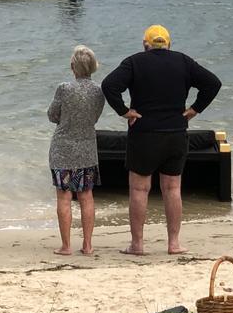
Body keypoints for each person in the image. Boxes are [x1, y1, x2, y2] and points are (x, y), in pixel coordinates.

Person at [101, 25, 221, 255]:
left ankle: (137, 244)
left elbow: (109, 85)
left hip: (144, 133)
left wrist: (124, 111)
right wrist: (196, 109)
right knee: (173, 188)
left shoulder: (135, 62)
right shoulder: (184, 62)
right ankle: (173, 243)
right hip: (176, 133)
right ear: (169, 44)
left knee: (139, 188)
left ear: (145, 45)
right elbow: (213, 83)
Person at [48, 45, 105, 256]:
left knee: (64, 197)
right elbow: (95, 117)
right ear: (93, 67)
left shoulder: (64, 88)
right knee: (86, 196)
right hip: (87, 147)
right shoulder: (100, 91)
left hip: (62, 148)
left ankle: (66, 246)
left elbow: (53, 115)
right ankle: (88, 245)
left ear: (73, 66)